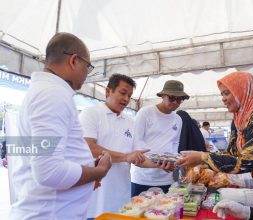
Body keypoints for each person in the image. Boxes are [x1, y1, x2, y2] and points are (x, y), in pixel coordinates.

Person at [9, 32, 112, 219]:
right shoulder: (52, 95)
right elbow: (48, 172)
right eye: (87, 67)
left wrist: (87, 166)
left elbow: (45, 157)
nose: (86, 74)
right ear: (73, 61)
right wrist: (99, 171)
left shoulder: (46, 92)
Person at [176, 71, 253, 211]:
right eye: (222, 94)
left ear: (242, 91)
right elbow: (232, 154)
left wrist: (202, 158)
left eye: (227, 93)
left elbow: (248, 161)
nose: (223, 99)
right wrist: (200, 158)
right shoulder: (240, 119)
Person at [79, 74, 150, 217]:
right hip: (95, 198)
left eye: (129, 95)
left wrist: (161, 164)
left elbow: (137, 157)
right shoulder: (91, 114)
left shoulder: (130, 121)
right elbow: (90, 148)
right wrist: (125, 157)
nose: (126, 99)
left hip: (120, 197)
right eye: (123, 93)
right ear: (108, 91)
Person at [131, 80, 189, 196]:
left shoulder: (178, 119)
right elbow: (136, 143)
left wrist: (174, 162)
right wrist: (156, 163)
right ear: (163, 96)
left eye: (179, 99)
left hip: (167, 178)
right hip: (143, 177)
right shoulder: (146, 113)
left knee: (166, 210)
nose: (176, 102)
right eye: (172, 98)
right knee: (138, 211)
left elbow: (175, 144)